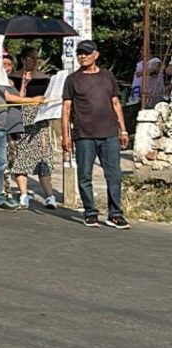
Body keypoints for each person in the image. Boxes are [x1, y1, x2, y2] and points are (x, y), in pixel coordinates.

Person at [61, 40, 132, 229]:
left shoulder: (108, 77)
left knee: (114, 175)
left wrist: (123, 129)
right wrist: (66, 136)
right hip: (84, 135)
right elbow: (66, 109)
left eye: (86, 53)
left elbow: (116, 103)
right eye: (80, 53)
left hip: (109, 133)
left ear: (96, 55)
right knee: (85, 175)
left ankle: (115, 214)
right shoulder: (73, 80)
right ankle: (90, 212)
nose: (82, 56)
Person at [0, 53, 44, 212]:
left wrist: (33, 100)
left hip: (1, 126)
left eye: (8, 65)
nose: (6, 67)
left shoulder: (3, 82)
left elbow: (10, 97)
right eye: (3, 64)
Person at [8, 48, 57, 209]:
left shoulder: (44, 78)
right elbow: (17, 98)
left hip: (40, 119)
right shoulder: (13, 77)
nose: (35, 61)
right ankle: (23, 193)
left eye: (37, 58)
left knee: (43, 155)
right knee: (22, 155)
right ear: (23, 59)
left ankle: (49, 196)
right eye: (31, 58)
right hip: (22, 118)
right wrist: (23, 82)